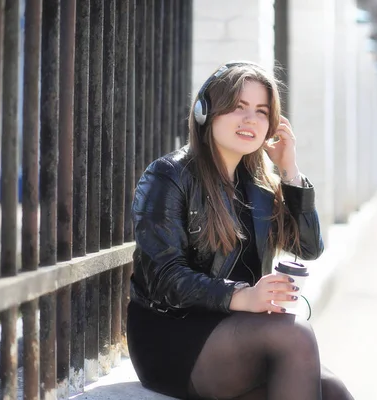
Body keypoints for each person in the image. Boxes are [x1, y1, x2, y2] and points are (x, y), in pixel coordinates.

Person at [127, 61, 355, 400]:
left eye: (262, 112)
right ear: (206, 112)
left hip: (239, 330)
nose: (250, 120)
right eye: (238, 107)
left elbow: (309, 247)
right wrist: (242, 296)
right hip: (173, 334)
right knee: (296, 335)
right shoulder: (169, 175)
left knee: (333, 391)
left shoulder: (259, 187)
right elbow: (165, 278)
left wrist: (289, 170)